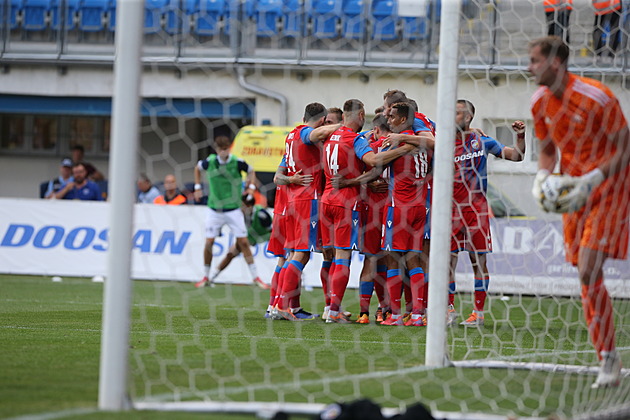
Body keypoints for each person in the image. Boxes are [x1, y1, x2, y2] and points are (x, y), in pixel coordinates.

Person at [528, 36, 629, 388]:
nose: (529, 67)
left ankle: (607, 358)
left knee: (588, 269)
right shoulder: (539, 101)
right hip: (573, 192)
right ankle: (609, 357)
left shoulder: (598, 96)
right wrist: (542, 177)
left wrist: (594, 178)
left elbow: (624, 147)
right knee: (586, 276)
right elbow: (546, 150)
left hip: (609, 187)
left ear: (556, 63)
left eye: (535, 60)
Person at [319, 99, 415, 323]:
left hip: (326, 199)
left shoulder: (330, 137)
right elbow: (372, 159)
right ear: (361, 115)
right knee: (345, 257)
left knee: (332, 256)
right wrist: (403, 149)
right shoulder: (355, 140)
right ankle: (334, 311)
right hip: (346, 202)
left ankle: (332, 307)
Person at [450, 100, 525, 327]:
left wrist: (520, 136)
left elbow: (516, 156)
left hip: (477, 210)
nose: (451, 116)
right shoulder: (440, 141)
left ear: (468, 117)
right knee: (446, 262)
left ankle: (478, 313)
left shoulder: (482, 141)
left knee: (478, 262)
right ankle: (448, 309)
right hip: (450, 209)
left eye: (457, 113)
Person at [273, 103, 340, 321]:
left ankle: (278, 304)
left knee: (292, 253)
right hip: (307, 200)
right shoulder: (305, 134)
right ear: (321, 120)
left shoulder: (291, 135)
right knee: (301, 254)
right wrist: (345, 126)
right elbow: (317, 133)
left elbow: (278, 176)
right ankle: (283, 305)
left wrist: (290, 179)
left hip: (292, 201)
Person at [193, 135, 269, 289]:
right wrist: (197, 187)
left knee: (244, 242)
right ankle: (206, 276)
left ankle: (256, 278)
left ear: (229, 149)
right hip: (214, 209)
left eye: (226, 149)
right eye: (221, 149)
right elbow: (197, 168)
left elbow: (251, 171)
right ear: (216, 149)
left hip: (233, 209)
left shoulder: (237, 162)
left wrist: (251, 188)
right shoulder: (211, 162)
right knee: (209, 242)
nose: (223, 152)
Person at [380, 102, 431, 327]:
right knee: (415, 259)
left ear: (402, 119)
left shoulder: (394, 139)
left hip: (398, 207)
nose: (388, 120)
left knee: (393, 261)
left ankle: (396, 314)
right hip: (420, 207)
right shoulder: (423, 142)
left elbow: (376, 165)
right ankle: (418, 314)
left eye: (391, 117)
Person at [207, 193, 273, 285]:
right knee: (231, 253)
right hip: (250, 237)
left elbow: (273, 231)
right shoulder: (237, 214)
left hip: (267, 236)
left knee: (281, 255)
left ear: (250, 206)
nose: (241, 208)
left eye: (243, 205)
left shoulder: (262, 215)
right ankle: (212, 277)